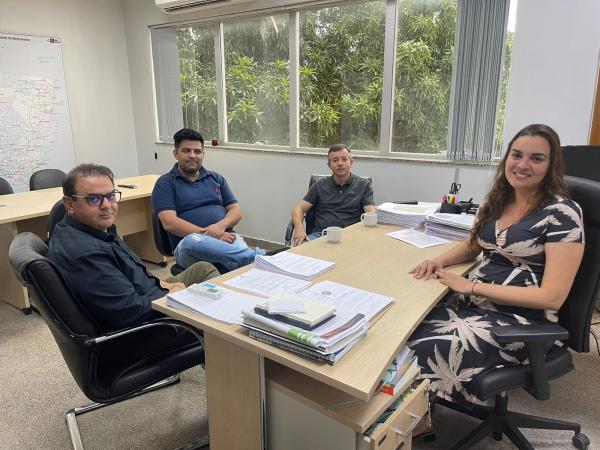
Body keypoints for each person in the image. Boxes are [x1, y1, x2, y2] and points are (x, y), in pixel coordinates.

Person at [408, 123, 585, 409]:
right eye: (517, 155)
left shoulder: (562, 214)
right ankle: (411, 410)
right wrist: (438, 261)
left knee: (429, 344)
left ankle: (415, 416)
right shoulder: (497, 201)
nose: (523, 165)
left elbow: (552, 297)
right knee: (407, 322)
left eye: (536, 158)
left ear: (551, 165)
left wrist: (473, 286)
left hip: (521, 323)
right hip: (473, 306)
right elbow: (473, 245)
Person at [48, 164, 219, 331]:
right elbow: (130, 312)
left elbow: (133, 272)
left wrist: (163, 284)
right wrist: (173, 296)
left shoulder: (95, 229)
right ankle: (219, 338)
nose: (106, 205)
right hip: (150, 324)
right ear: (69, 204)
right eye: (94, 199)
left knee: (203, 269)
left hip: (147, 291)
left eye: (111, 196)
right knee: (216, 317)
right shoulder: (85, 252)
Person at [152, 128, 265, 272]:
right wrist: (211, 235)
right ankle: (260, 257)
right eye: (186, 151)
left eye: (197, 151)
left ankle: (241, 263)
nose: (193, 156)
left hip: (226, 238)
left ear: (203, 154)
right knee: (192, 241)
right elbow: (170, 223)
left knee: (236, 249)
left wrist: (220, 227)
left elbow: (236, 211)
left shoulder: (216, 178)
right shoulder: (165, 183)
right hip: (189, 246)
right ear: (175, 153)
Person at [291, 144, 376, 246]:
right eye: (335, 160)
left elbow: (370, 212)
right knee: (299, 251)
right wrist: (299, 230)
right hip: (321, 236)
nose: (340, 163)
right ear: (329, 165)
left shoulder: (363, 185)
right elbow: (298, 209)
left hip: (351, 237)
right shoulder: (319, 185)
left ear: (351, 162)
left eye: (344, 159)